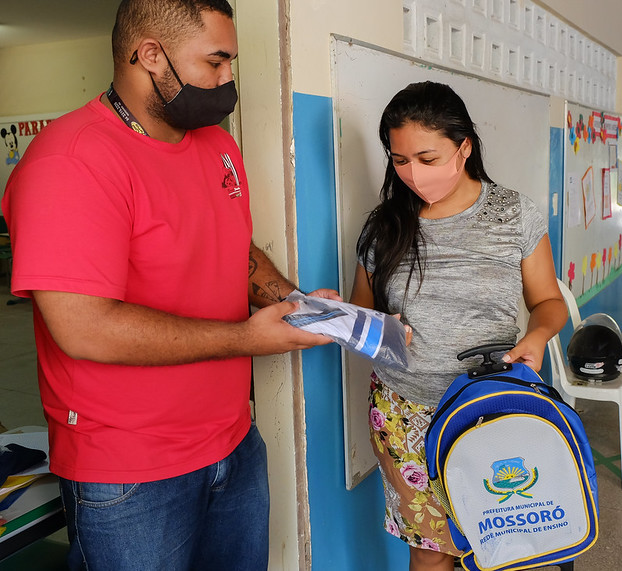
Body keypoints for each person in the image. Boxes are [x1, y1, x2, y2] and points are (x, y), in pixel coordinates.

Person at [0, 1, 338, 569]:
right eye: (215, 61)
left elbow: (234, 247)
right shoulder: (72, 161)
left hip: (233, 443)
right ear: (150, 55)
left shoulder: (216, 147)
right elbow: (85, 329)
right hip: (129, 470)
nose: (228, 79)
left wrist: (292, 300)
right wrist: (248, 339)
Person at [349, 81, 568, 571]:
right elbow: (361, 313)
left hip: (490, 405)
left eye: (427, 158)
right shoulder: (383, 227)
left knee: (506, 543)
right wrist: (355, 321)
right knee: (432, 552)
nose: (411, 174)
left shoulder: (512, 215)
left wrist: (535, 337)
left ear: (463, 147)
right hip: (406, 411)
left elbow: (550, 301)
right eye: (399, 160)